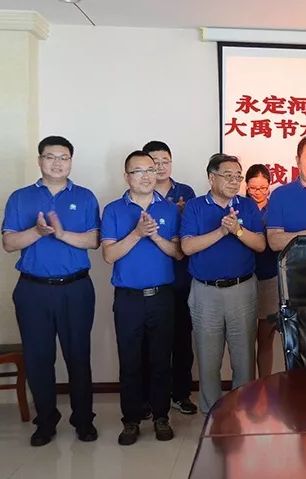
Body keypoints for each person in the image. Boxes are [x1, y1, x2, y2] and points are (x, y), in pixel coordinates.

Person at [1, 136, 101, 446]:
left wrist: (60, 233)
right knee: (38, 358)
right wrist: (37, 231)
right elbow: (8, 243)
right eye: (50, 157)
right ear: (39, 160)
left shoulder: (85, 197)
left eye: (64, 157)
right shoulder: (20, 197)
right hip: (33, 290)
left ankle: (83, 420)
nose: (57, 163)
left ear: (71, 161)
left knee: (78, 356)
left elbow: (93, 240)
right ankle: (45, 421)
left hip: (76, 288)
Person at [101, 151, 183, 445]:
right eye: (139, 171)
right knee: (130, 362)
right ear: (127, 177)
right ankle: (131, 420)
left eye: (151, 169)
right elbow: (109, 255)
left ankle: (161, 416)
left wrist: (155, 236)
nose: (147, 176)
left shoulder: (170, 209)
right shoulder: (113, 210)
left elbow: (178, 253)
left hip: (162, 297)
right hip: (129, 299)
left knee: (161, 360)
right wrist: (137, 233)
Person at [180, 154, 266, 414]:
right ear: (211, 177)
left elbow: (260, 245)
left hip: (242, 290)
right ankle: (212, 413)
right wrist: (221, 231)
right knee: (208, 358)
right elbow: (187, 246)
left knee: (244, 357)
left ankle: (243, 410)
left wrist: (237, 230)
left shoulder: (247, 206)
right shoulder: (195, 206)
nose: (234, 181)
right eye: (228, 176)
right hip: (205, 292)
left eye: (238, 176)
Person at [142, 140, 198, 416]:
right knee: (149, 344)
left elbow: (194, 229)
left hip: (180, 279)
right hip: (149, 279)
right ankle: (149, 398)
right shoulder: (140, 193)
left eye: (166, 161)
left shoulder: (186, 193)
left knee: (181, 341)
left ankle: (180, 394)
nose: (161, 167)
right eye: (155, 162)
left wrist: (182, 213)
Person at [245, 164, 279, 378]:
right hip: (243, 279)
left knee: (266, 339)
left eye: (263, 188)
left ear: (269, 187)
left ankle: (265, 385)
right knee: (244, 341)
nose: (258, 193)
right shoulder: (238, 207)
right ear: (246, 186)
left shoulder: (276, 209)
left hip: (270, 278)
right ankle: (247, 387)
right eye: (253, 188)